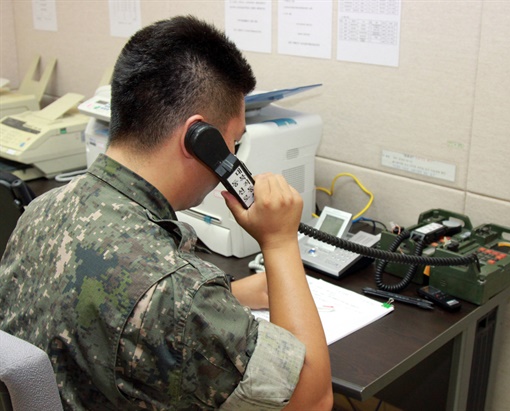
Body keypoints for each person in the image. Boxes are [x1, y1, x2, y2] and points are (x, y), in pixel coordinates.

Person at [0, 15, 333, 410]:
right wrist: (278, 242)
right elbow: (312, 400)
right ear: (200, 140)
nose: (233, 157)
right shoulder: (174, 295)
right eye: (233, 141)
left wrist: (226, 297)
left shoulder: (41, 209)